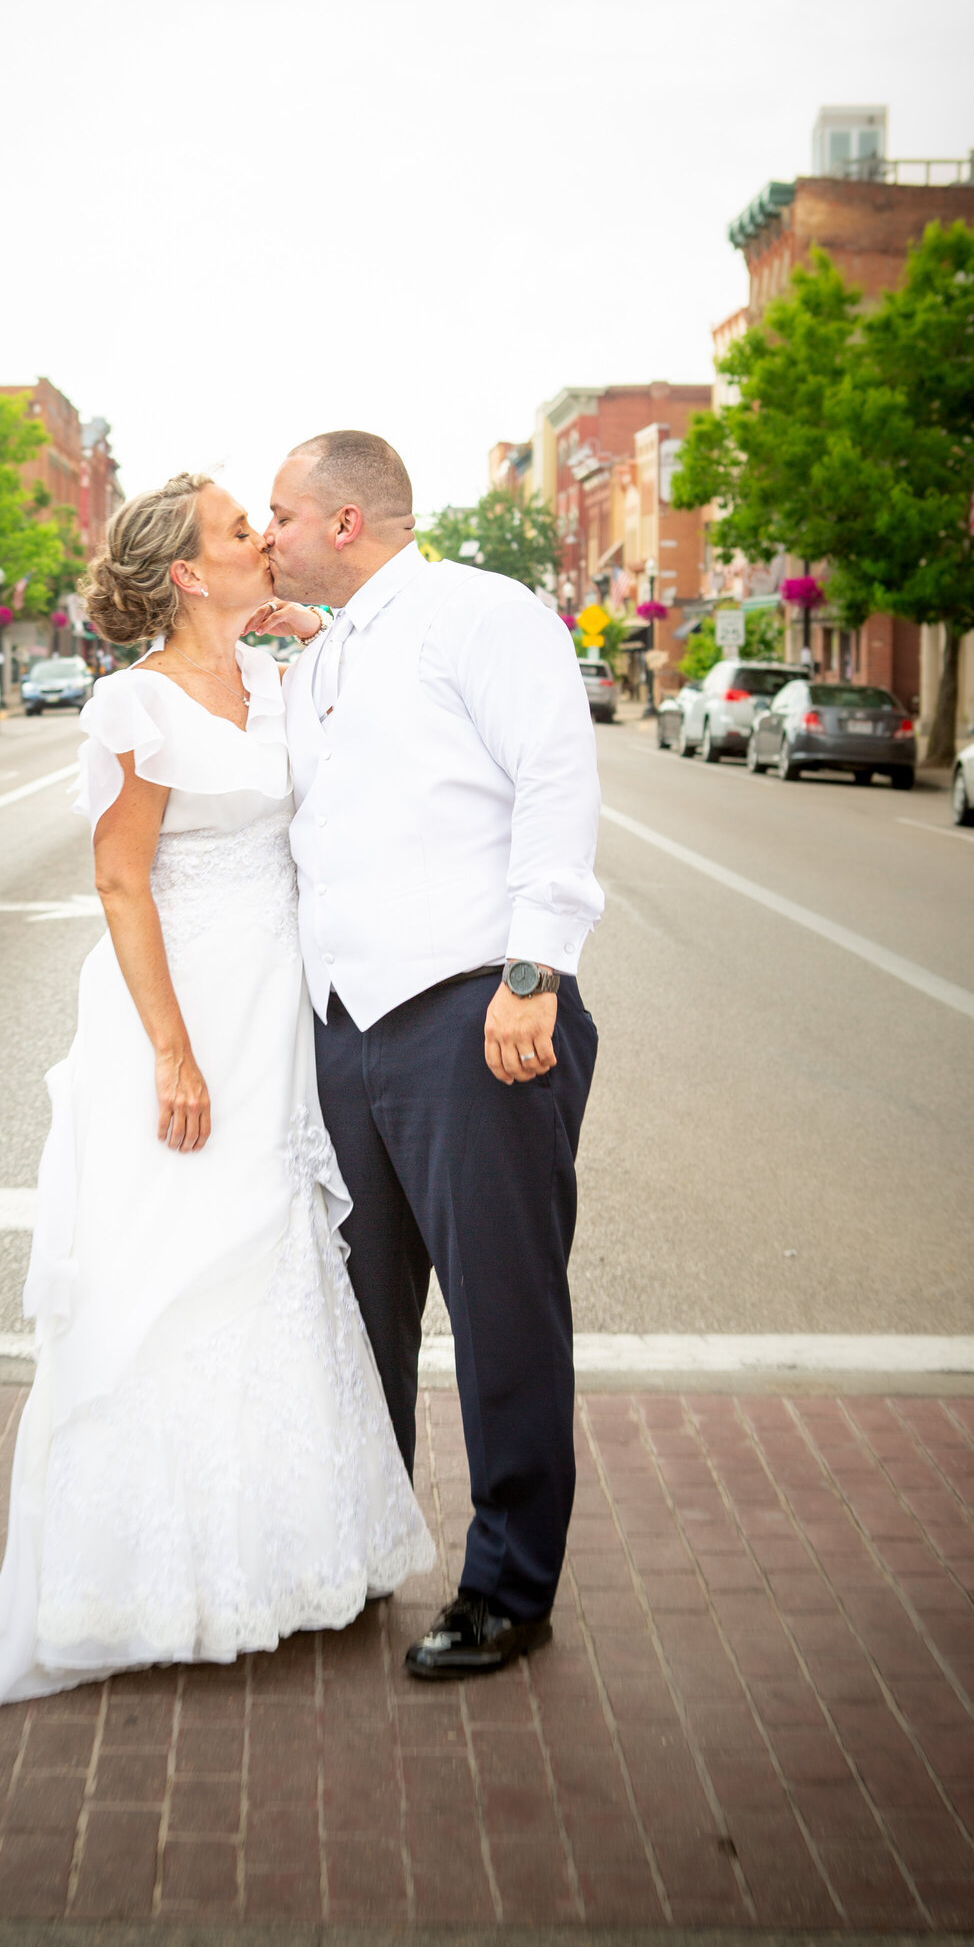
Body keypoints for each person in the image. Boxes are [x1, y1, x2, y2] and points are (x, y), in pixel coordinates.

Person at [0, 473, 432, 1707]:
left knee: (282, 1255)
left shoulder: (274, 675)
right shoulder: (132, 705)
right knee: (176, 1263)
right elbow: (121, 883)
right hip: (190, 1009)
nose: (263, 541)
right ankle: (144, 1579)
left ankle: (288, 1558)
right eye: (239, 531)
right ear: (185, 571)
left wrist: (300, 632)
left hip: (287, 1007)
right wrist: (170, 1049)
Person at [261, 431, 602, 1680]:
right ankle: (361, 1550)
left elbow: (556, 781)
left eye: (282, 515)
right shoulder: (318, 649)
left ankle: (510, 1589)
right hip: (343, 1030)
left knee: (504, 1314)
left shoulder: (480, 611)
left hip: (474, 1015)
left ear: (344, 522)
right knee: (359, 1317)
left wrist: (533, 972)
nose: (268, 534)